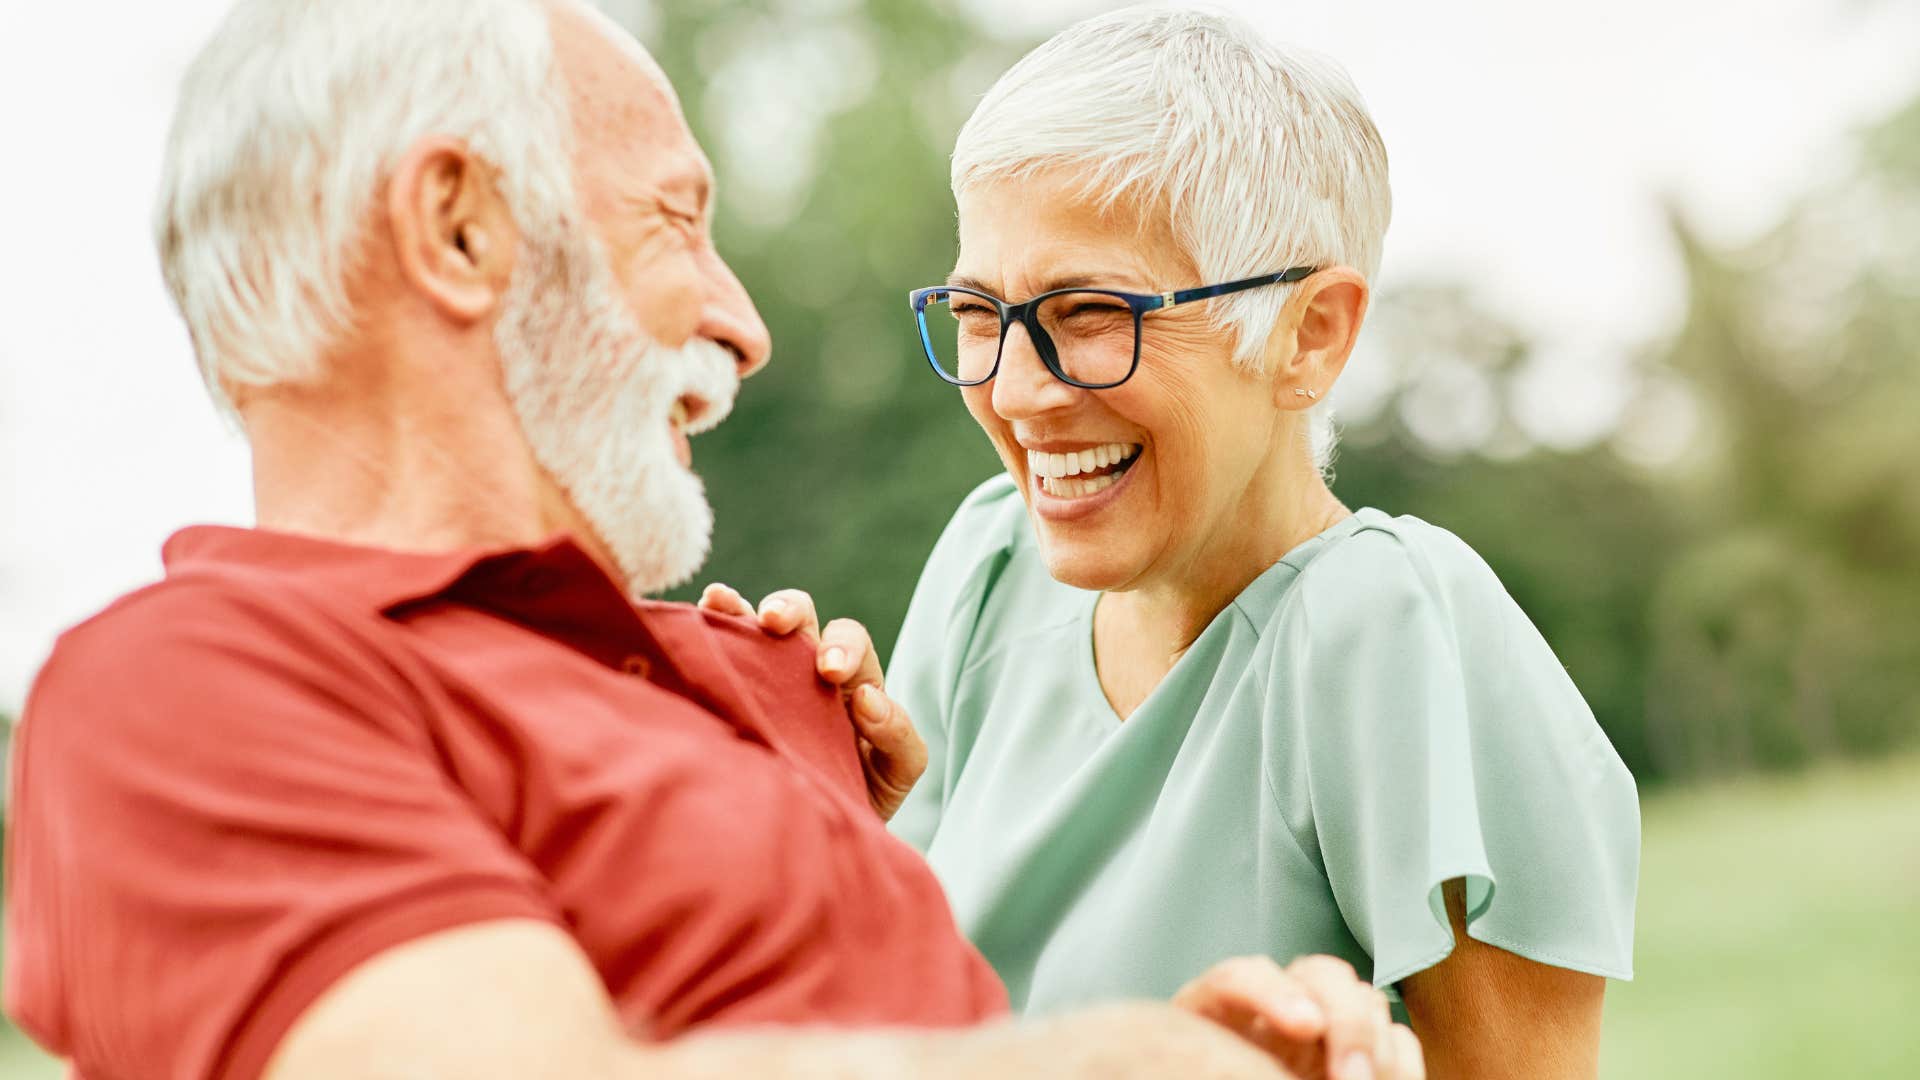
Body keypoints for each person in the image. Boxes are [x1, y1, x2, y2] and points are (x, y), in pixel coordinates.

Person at [0, 2, 1426, 1079]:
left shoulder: (757, 674)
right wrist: (1107, 1063)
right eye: (677, 223)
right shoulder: (184, 693)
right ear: (456, 230)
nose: (743, 321)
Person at [874, 8, 1640, 1079]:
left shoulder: (1388, 630)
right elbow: (875, 1021)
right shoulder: (985, 569)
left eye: (1090, 311)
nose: (1013, 389)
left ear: (1309, 334)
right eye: (978, 309)